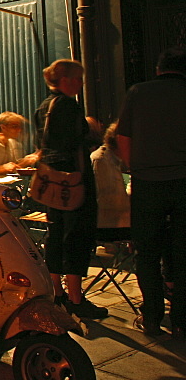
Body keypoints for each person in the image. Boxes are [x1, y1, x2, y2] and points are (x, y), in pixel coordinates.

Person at [116, 47, 186, 338]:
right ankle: (182, 320)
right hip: (183, 181)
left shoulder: (138, 92)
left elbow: (123, 136)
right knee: (183, 251)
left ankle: (153, 317)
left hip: (148, 183)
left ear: (158, 69)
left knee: (146, 253)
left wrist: (135, 168)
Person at [34, 59, 107, 319]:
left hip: (51, 182)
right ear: (66, 80)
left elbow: (44, 142)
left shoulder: (44, 107)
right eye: (78, 78)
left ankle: (57, 293)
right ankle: (76, 298)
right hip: (73, 180)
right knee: (77, 236)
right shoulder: (68, 106)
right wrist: (92, 131)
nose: (81, 83)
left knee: (55, 233)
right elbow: (75, 141)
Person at [91, 123, 131, 237]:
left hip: (117, 222)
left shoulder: (111, 159)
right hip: (111, 226)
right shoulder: (102, 160)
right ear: (120, 141)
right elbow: (112, 201)